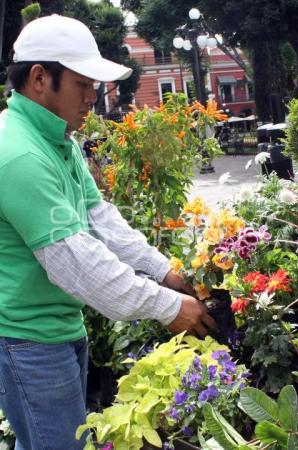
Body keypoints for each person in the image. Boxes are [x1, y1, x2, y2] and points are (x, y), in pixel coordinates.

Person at [0, 15, 216, 450]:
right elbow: (76, 261)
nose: (91, 98)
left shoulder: (57, 141)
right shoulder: (16, 153)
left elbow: (100, 219)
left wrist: (166, 272)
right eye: (82, 84)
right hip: (27, 340)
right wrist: (169, 306)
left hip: (57, 328)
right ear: (40, 78)